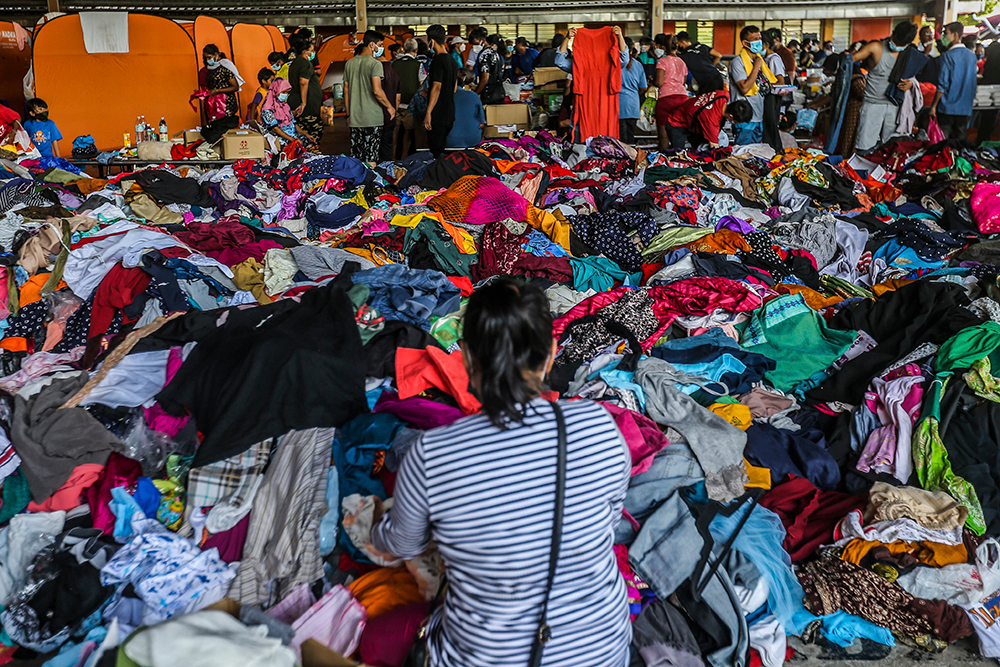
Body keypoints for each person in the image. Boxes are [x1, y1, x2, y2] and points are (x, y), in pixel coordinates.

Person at [368, 277, 632, 667]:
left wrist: (377, 524)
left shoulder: (433, 453)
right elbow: (608, 521)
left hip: (485, 657)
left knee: (376, 640)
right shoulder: (598, 426)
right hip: (602, 651)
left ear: (467, 358)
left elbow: (402, 545)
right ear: (551, 354)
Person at [851, 22, 918, 152]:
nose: (897, 47)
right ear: (893, 34)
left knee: (892, 147)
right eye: (897, 42)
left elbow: (914, 77)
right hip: (872, 105)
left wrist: (910, 84)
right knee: (864, 147)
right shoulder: (875, 47)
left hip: (895, 106)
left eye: (902, 45)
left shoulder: (909, 54)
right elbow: (850, 60)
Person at [344, 30, 395, 164]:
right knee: (371, 157)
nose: (382, 48)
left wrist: (348, 115)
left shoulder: (349, 63)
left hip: (355, 119)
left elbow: (346, 89)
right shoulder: (375, 64)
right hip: (372, 119)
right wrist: (389, 106)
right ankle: (369, 183)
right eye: (380, 44)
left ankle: (357, 183)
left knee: (356, 157)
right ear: (372, 45)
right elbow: (377, 91)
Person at [729, 25, 776, 145]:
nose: (759, 42)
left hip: (758, 116)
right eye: (755, 39)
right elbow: (744, 88)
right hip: (744, 119)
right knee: (742, 153)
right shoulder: (738, 63)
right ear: (745, 43)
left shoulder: (759, 61)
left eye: (759, 38)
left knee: (755, 154)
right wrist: (756, 67)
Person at [932, 21, 978, 141]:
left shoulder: (947, 56)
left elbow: (943, 84)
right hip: (965, 108)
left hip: (947, 107)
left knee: (942, 143)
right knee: (960, 142)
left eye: (946, 34)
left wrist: (933, 106)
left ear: (956, 35)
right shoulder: (972, 56)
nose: (944, 37)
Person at [665, 89, 751, 149]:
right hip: (676, 123)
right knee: (677, 154)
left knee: (697, 149)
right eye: (735, 122)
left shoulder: (723, 94)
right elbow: (715, 147)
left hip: (690, 120)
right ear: (731, 116)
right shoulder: (712, 121)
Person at [424, 24, 459, 157]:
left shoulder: (437, 61)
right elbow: (453, 88)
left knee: (435, 152)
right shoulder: (452, 60)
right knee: (441, 149)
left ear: (431, 41)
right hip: (450, 112)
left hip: (437, 113)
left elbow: (437, 87)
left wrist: (428, 112)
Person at [654, 34, 689, 149]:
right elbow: (683, 82)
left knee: (664, 136)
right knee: (679, 131)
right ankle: (679, 158)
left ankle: (664, 161)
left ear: (663, 47)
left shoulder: (662, 61)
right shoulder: (682, 62)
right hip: (682, 98)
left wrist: (652, 82)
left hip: (666, 98)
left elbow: (659, 82)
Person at [288, 35, 325, 145]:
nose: (313, 53)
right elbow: (303, 82)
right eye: (311, 50)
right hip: (307, 106)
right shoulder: (305, 64)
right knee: (313, 133)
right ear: (305, 52)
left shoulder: (295, 63)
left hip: (298, 102)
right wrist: (303, 103)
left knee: (303, 132)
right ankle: (311, 156)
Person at [260, 78, 316, 149]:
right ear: (276, 91)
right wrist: (293, 140)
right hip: (279, 138)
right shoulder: (267, 109)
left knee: (311, 143)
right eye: (283, 92)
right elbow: (275, 129)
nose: (285, 95)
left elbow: (294, 124)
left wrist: (306, 135)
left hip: (291, 135)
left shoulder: (285, 106)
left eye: (287, 92)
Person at [394, 38, 422, 159]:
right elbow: (421, 85)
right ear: (416, 50)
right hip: (410, 105)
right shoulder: (418, 65)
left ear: (404, 49)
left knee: (394, 134)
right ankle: (404, 158)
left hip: (394, 105)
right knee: (407, 134)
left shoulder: (394, 64)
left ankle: (392, 158)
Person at [200, 44, 243, 120]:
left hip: (227, 103)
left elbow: (235, 87)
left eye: (209, 57)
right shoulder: (210, 69)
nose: (207, 60)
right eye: (206, 58)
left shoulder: (226, 66)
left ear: (216, 54)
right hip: (215, 104)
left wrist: (218, 91)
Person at [618, 37, 648, 144]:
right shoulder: (638, 65)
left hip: (619, 106)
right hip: (633, 105)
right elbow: (643, 87)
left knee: (620, 139)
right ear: (631, 50)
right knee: (630, 137)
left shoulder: (615, 64)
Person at [446, 68, 484, 148]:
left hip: (449, 141)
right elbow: (481, 123)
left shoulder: (442, 97)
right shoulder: (474, 96)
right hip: (473, 140)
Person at [475, 33, 507, 105]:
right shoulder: (497, 54)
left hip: (489, 95)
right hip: (499, 93)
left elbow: (485, 78)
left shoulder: (485, 55)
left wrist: (476, 93)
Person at [380, 56, 401, 162]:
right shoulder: (395, 72)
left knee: (377, 147)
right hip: (390, 115)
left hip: (378, 115)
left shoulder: (377, 71)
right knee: (388, 145)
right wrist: (394, 110)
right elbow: (398, 97)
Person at [979, 41, 1000, 143]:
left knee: (986, 122)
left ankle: (982, 143)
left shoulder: (990, 62)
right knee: (990, 121)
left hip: (987, 95)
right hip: (995, 93)